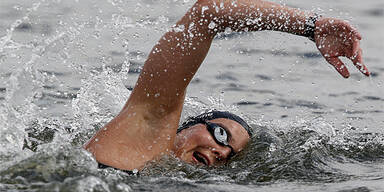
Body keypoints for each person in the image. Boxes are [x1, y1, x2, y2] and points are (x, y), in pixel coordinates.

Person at [84, 0, 369, 171]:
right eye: (221, 135)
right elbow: (208, 12)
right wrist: (310, 26)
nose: (221, 152)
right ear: (184, 128)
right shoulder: (144, 136)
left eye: (229, 156)